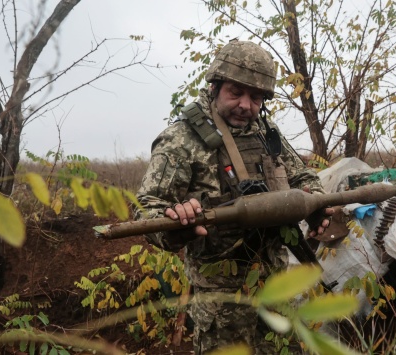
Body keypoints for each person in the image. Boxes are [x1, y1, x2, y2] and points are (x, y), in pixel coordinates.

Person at [135, 39, 332, 354]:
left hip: (275, 282)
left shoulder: (266, 133)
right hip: (221, 296)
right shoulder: (181, 140)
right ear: (214, 87)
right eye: (235, 92)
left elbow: (303, 176)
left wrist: (315, 204)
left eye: (256, 98)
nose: (245, 105)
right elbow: (146, 210)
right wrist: (177, 224)